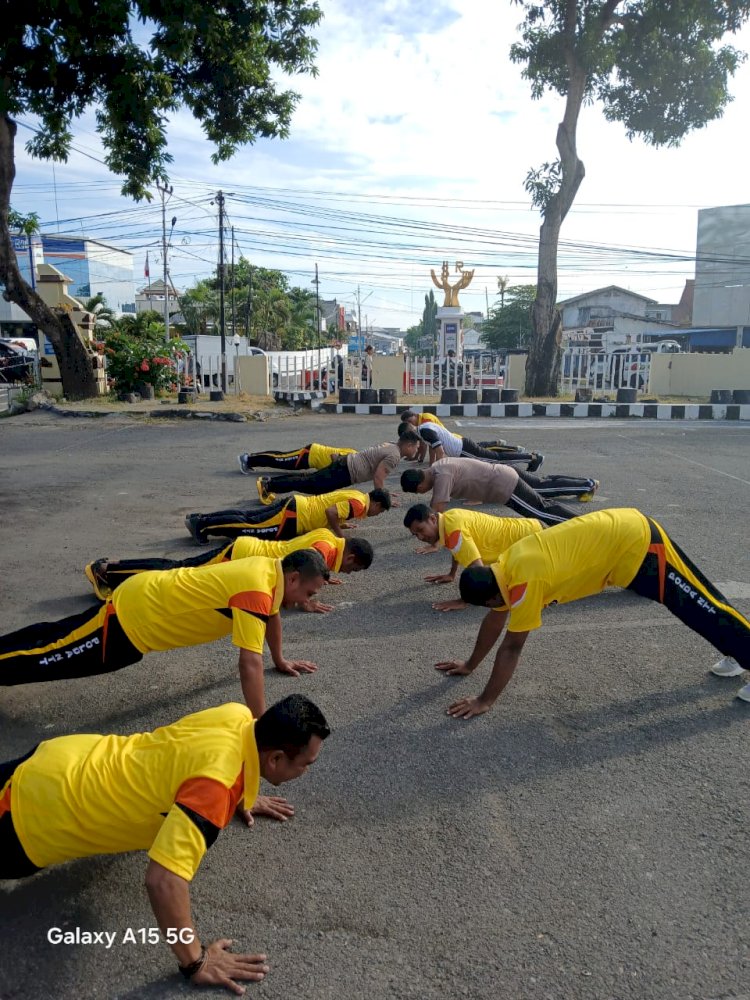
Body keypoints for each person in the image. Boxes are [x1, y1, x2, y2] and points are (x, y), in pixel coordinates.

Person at [0, 695, 329, 994]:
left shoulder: (237, 716)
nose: (306, 770)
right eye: (306, 763)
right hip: (29, 816)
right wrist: (196, 962)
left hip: (60, 759)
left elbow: (197, 761)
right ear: (274, 760)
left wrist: (242, 793)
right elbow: (163, 880)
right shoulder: (216, 787)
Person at [438, 507, 750, 720]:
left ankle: (743, 651)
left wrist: (485, 700)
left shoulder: (523, 582)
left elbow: (512, 646)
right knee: (699, 611)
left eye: (489, 605)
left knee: (702, 607)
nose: (494, 610)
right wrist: (469, 665)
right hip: (622, 551)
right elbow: (495, 619)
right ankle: (737, 649)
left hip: (639, 545)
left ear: (492, 596)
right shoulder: (504, 568)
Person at [0, 550, 328, 716]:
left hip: (142, 599)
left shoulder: (269, 570)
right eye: (309, 593)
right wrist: (261, 723)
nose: (306, 602)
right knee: (52, 657)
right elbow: (249, 665)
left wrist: (280, 658)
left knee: (55, 637)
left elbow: (271, 619)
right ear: (295, 578)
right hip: (133, 622)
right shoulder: (257, 590)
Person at [85, 530, 374, 615]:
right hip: (241, 556)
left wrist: (321, 579)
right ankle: (108, 570)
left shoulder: (327, 543)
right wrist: (306, 602)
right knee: (180, 570)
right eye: (353, 568)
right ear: (350, 557)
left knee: (182, 567)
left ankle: (113, 570)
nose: (349, 572)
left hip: (248, 555)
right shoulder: (323, 552)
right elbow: (299, 576)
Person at [403, 503, 542, 611]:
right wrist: (451, 574)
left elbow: (479, 571)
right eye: (415, 535)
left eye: (421, 530)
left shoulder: (454, 531)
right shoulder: (448, 518)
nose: (420, 537)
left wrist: (464, 601)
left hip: (535, 540)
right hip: (531, 530)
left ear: (432, 519)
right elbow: (458, 549)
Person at [400, 457, 583, 527]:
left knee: (540, 510)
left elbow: (437, 509)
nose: (422, 493)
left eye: (419, 492)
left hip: (504, 484)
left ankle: (582, 525)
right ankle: (578, 525)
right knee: (542, 508)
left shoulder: (442, 474)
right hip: (502, 479)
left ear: (419, 486)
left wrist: (436, 540)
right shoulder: (437, 468)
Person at [255, 430, 420, 504]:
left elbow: (379, 477)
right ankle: (268, 485)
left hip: (345, 466)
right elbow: (378, 477)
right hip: (345, 471)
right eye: (416, 447)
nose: (417, 450)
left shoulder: (392, 446)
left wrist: (384, 491)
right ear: (409, 445)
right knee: (308, 484)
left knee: (309, 482)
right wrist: (382, 498)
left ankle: (270, 484)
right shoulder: (395, 455)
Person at [184, 487, 391, 544]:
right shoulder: (360, 504)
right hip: (294, 516)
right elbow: (330, 512)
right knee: (249, 526)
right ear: (377, 503)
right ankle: (201, 525)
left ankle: (202, 519)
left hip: (296, 507)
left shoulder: (358, 496)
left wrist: (339, 524)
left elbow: (333, 508)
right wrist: (339, 535)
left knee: (249, 518)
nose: (376, 514)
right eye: (379, 511)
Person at [397, 419, 543, 471]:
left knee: (496, 459)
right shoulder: (424, 429)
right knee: (495, 458)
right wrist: (432, 466)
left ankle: (532, 457)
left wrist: (437, 470)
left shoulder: (425, 431)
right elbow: (434, 450)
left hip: (463, 450)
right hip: (462, 447)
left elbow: (440, 452)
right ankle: (530, 457)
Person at [238, 442, 357, 475]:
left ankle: (250, 459)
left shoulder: (357, 455)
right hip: (311, 454)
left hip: (312, 457)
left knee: (280, 458)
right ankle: (247, 459)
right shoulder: (355, 456)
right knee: (279, 459)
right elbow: (334, 457)